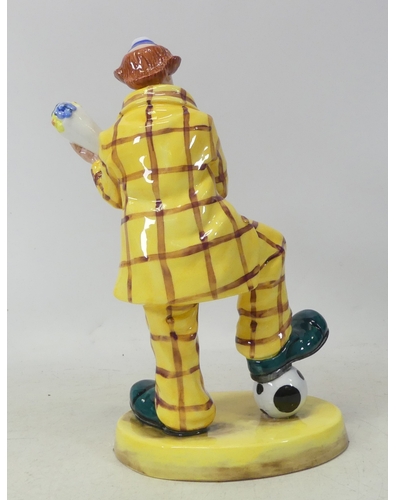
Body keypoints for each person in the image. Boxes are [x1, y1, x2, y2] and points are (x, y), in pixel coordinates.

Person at [73, 38, 328, 436]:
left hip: (150, 254)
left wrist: (95, 162)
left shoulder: (111, 139)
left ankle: (182, 411)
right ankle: (268, 351)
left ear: (128, 83)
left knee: (169, 320)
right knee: (269, 250)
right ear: (169, 72)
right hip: (209, 236)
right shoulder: (199, 121)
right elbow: (220, 183)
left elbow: (116, 197)